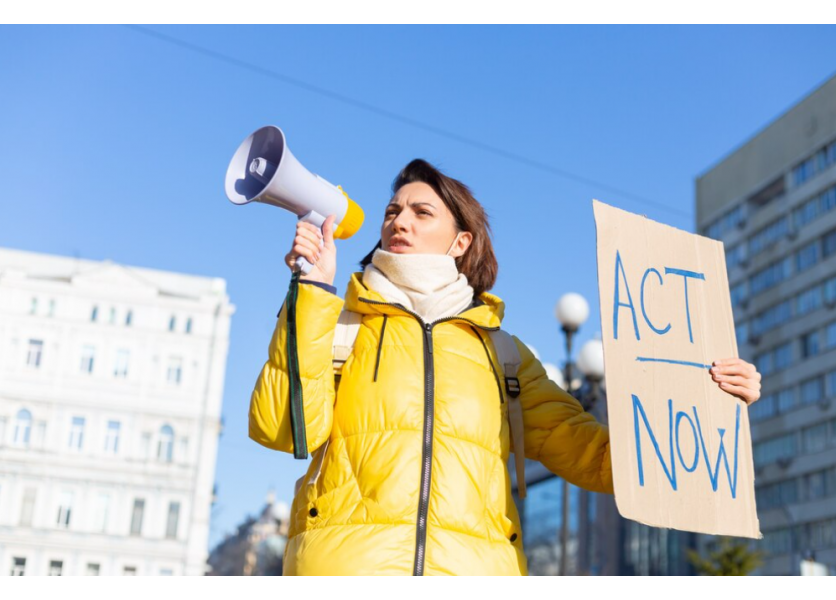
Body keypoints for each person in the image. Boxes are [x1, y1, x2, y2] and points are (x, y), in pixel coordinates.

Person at [248, 159, 762, 576]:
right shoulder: (339, 325)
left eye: (422, 212)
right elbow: (280, 429)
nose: (399, 221)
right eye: (392, 210)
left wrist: (710, 400)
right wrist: (311, 292)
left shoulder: (504, 354)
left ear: (461, 241)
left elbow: (598, 460)